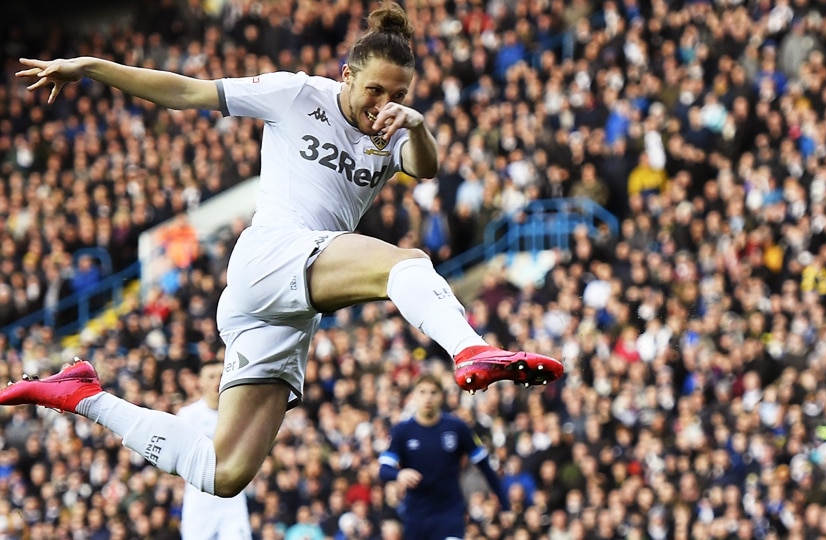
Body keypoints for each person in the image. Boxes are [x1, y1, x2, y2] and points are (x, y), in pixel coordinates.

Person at [3, 2, 562, 500]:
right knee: (409, 264)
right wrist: (92, 68)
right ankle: (469, 349)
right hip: (271, 255)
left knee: (223, 474)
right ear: (346, 76)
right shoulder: (297, 94)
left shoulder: (394, 135)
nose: (383, 104)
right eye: (374, 90)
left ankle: (82, 395)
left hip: (286, 307)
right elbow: (186, 91)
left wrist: (414, 123)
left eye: (399, 96)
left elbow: (427, 167)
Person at [378, 374, 508, 540]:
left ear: (441, 396)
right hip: (417, 515)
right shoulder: (402, 431)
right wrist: (399, 474)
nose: (428, 398)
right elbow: (383, 470)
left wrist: (505, 505)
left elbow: (485, 466)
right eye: (422, 392)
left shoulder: (457, 428)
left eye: (433, 392)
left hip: (450, 512)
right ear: (414, 396)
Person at [176, 359, 253, 540]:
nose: (217, 381)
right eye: (211, 377)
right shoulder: (187, 416)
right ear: (200, 382)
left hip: (232, 500)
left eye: (221, 376)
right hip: (199, 500)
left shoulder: (241, 415)